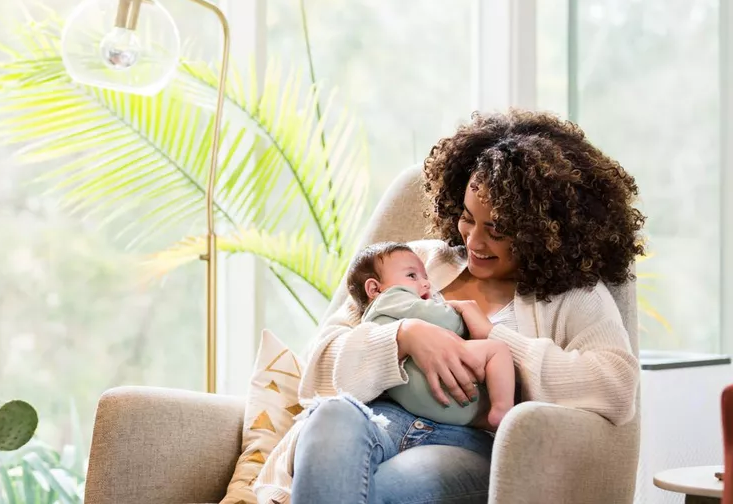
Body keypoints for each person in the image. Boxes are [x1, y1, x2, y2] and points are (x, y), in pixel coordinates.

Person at [254, 109, 643, 504]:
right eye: (467, 218)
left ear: (543, 231)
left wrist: (495, 339)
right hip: (378, 424)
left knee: (380, 489)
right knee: (331, 417)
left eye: (496, 230)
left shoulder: (570, 295)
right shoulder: (417, 262)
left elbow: (615, 386)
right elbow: (318, 369)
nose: (473, 241)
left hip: (466, 444)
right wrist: (404, 337)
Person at [348, 241, 515, 428]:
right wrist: (461, 313)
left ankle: (484, 418)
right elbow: (447, 321)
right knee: (497, 349)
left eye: (425, 276)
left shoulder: (372, 322)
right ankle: (503, 410)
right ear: (375, 289)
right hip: (441, 391)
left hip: (421, 403)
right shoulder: (392, 298)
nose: (426, 283)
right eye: (412, 276)